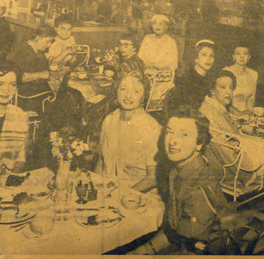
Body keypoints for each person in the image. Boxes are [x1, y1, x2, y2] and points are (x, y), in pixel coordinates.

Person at [129, 105, 228, 255]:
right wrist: (144, 250)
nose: (173, 141)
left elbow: (192, 251)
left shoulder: (198, 189)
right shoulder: (177, 170)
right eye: (169, 132)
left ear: (199, 143)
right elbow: (173, 230)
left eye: (184, 135)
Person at [97, 72, 161, 192]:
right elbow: (101, 162)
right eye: (123, 89)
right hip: (109, 193)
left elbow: (153, 178)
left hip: (140, 195)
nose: (128, 95)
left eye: (136, 91)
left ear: (144, 97)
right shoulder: (109, 120)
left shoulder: (152, 128)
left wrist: (125, 195)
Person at [6, 25, 59, 115]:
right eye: (47, 42)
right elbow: (15, 76)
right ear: (37, 38)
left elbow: (45, 71)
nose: (49, 45)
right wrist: (40, 75)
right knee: (57, 103)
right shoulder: (20, 51)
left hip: (38, 90)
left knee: (71, 95)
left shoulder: (39, 51)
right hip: (24, 94)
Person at [166, 39, 215, 111]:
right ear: (196, 58)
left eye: (212, 55)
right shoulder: (186, 79)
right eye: (204, 54)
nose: (208, 59)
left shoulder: (211, 79)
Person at [223, 44, 258, 115]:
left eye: (245, 54)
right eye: (238, 54)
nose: (242, 57)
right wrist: (239, 113)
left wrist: (248, 112)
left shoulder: (254, 74)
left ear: (249, 57)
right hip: (228, 112)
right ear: (233, 56)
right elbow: (223, 100)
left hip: (245, 113)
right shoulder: (226, 71)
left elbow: (251, 98)